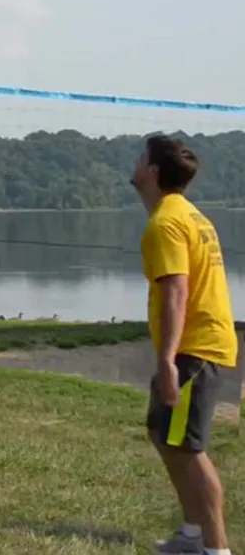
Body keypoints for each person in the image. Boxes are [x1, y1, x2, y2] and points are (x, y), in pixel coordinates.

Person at [131, 134, 238, 555]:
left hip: (195, 347)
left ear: (153, 171)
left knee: (187, 448)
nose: (135, 164)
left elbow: (177, 292)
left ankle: (217, 549)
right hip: (200, 342)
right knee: (162, 432)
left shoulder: (166, 224)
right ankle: (192, 536)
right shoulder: (190, 216)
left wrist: (168, 361)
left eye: (141, 158)